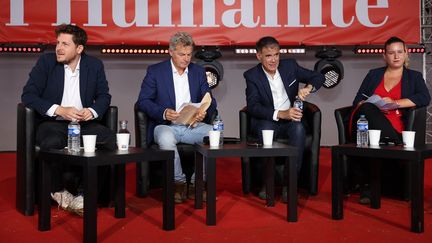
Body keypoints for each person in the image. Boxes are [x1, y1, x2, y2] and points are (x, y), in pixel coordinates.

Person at [21, 24, 116, 214]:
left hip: (84, 124)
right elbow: (28, 95)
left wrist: (92, 111)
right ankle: (58, 191)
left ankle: (84, 195)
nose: (59, 48)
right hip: (53, 123)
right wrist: (59, 110)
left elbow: (105, 96)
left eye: (65, 44)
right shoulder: (46, 63)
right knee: (53, 141)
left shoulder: (94, 65)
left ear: (79, 48)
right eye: (58, 43)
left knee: (110, 140)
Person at [137, 32, 217, 204]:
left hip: (192, 126)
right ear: (171, 52)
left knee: (215, 134)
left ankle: (198, 182)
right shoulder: (155, 71)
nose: (186, 59)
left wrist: (203, 111)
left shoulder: (198, 72)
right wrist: (164, 112)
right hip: (166, 125)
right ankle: (178, 183)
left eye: (189, 54)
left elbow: (210, 100)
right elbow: (143, 101)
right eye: (182, 54)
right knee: (166, 138)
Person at [350, 36, 431, 204]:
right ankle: (391, 148)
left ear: (406, 54)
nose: (396, 56)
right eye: (391, 52)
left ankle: (369, 185)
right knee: (366, 110)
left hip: (395, 124)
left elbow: (424, 97)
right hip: (369, 120)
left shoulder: (414, 77)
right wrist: (372, 102)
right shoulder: (373, 75)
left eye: (400, 52)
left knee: (369, 127)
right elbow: (358, 99)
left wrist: (396, 103)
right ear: (384, 56)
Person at [244, 36, 325, 202]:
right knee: (266, 130)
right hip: (268, 119)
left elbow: (318, 77)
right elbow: (253, 106)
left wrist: (308, 88)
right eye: (268, 56)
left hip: (291, 120)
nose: (273, 60)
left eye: (276, 55)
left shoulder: (290, 66)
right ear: (259, 56)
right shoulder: (252, 75)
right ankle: (268, 183)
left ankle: (290, 185)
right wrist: (280, 114)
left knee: (299, 129)